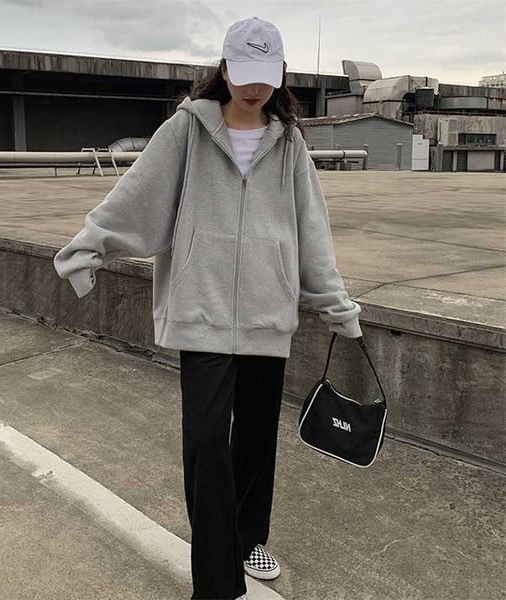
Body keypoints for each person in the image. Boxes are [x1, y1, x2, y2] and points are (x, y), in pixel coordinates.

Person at [53, 16, 363, 600]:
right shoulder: (187, 130)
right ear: (224, 69)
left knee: (255, 441)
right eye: (243, 73)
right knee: (205, 445)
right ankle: (216, 583)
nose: (254, 87)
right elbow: (138, 197)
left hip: (268, 313)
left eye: (266, 75)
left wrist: (334, 303)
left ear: (280, 74)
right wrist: (88, 246)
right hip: (201, 310)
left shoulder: (289, 142)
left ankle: (248, 539)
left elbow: (311, 230)